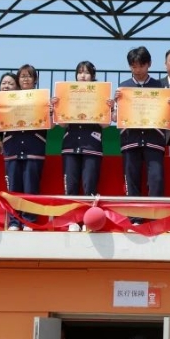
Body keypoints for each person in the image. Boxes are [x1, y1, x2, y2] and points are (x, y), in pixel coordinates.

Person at [57, 61, 112, 232]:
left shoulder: (101, 95)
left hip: (92, 145)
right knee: (71, 186)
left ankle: (89, 220)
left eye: (87, 72)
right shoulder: (67, 94)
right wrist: (58, 106)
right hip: (70, 145)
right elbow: (62, 124)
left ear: (92, 76)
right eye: (80, 72)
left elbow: (105, 125)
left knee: (90, 185)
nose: (83, 76)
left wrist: (107, 108)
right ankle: (72, 220)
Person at [115, 46, 169, 211]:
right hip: (130, 140)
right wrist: (115, 104)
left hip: (154, 140)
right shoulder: (123, 88)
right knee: (132, 180)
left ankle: (155, 216)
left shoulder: (160, 86)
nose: (137, 70)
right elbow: (115, 117)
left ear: (149, 64)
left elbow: (167, 115)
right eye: (134, 66)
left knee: (156, 179)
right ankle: (135, 218)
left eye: (141, 65)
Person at [1, 64, 48, 231]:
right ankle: (14, 222)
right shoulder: (7, 100)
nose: (25, 79)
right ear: (18, 79)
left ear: (35, 79)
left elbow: (51, 124)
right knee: (13, 188)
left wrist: (50, 111)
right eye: (22, 76)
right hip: (12, 147)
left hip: (34, 147)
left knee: (31, 188)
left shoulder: (42, 99)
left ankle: (29, 221)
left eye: (29, 76)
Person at [0, 72, 19, 155]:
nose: (6, 86)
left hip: (14, 144)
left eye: (10, 84)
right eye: (3, 83)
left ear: (17, 87)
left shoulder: (20, 104)